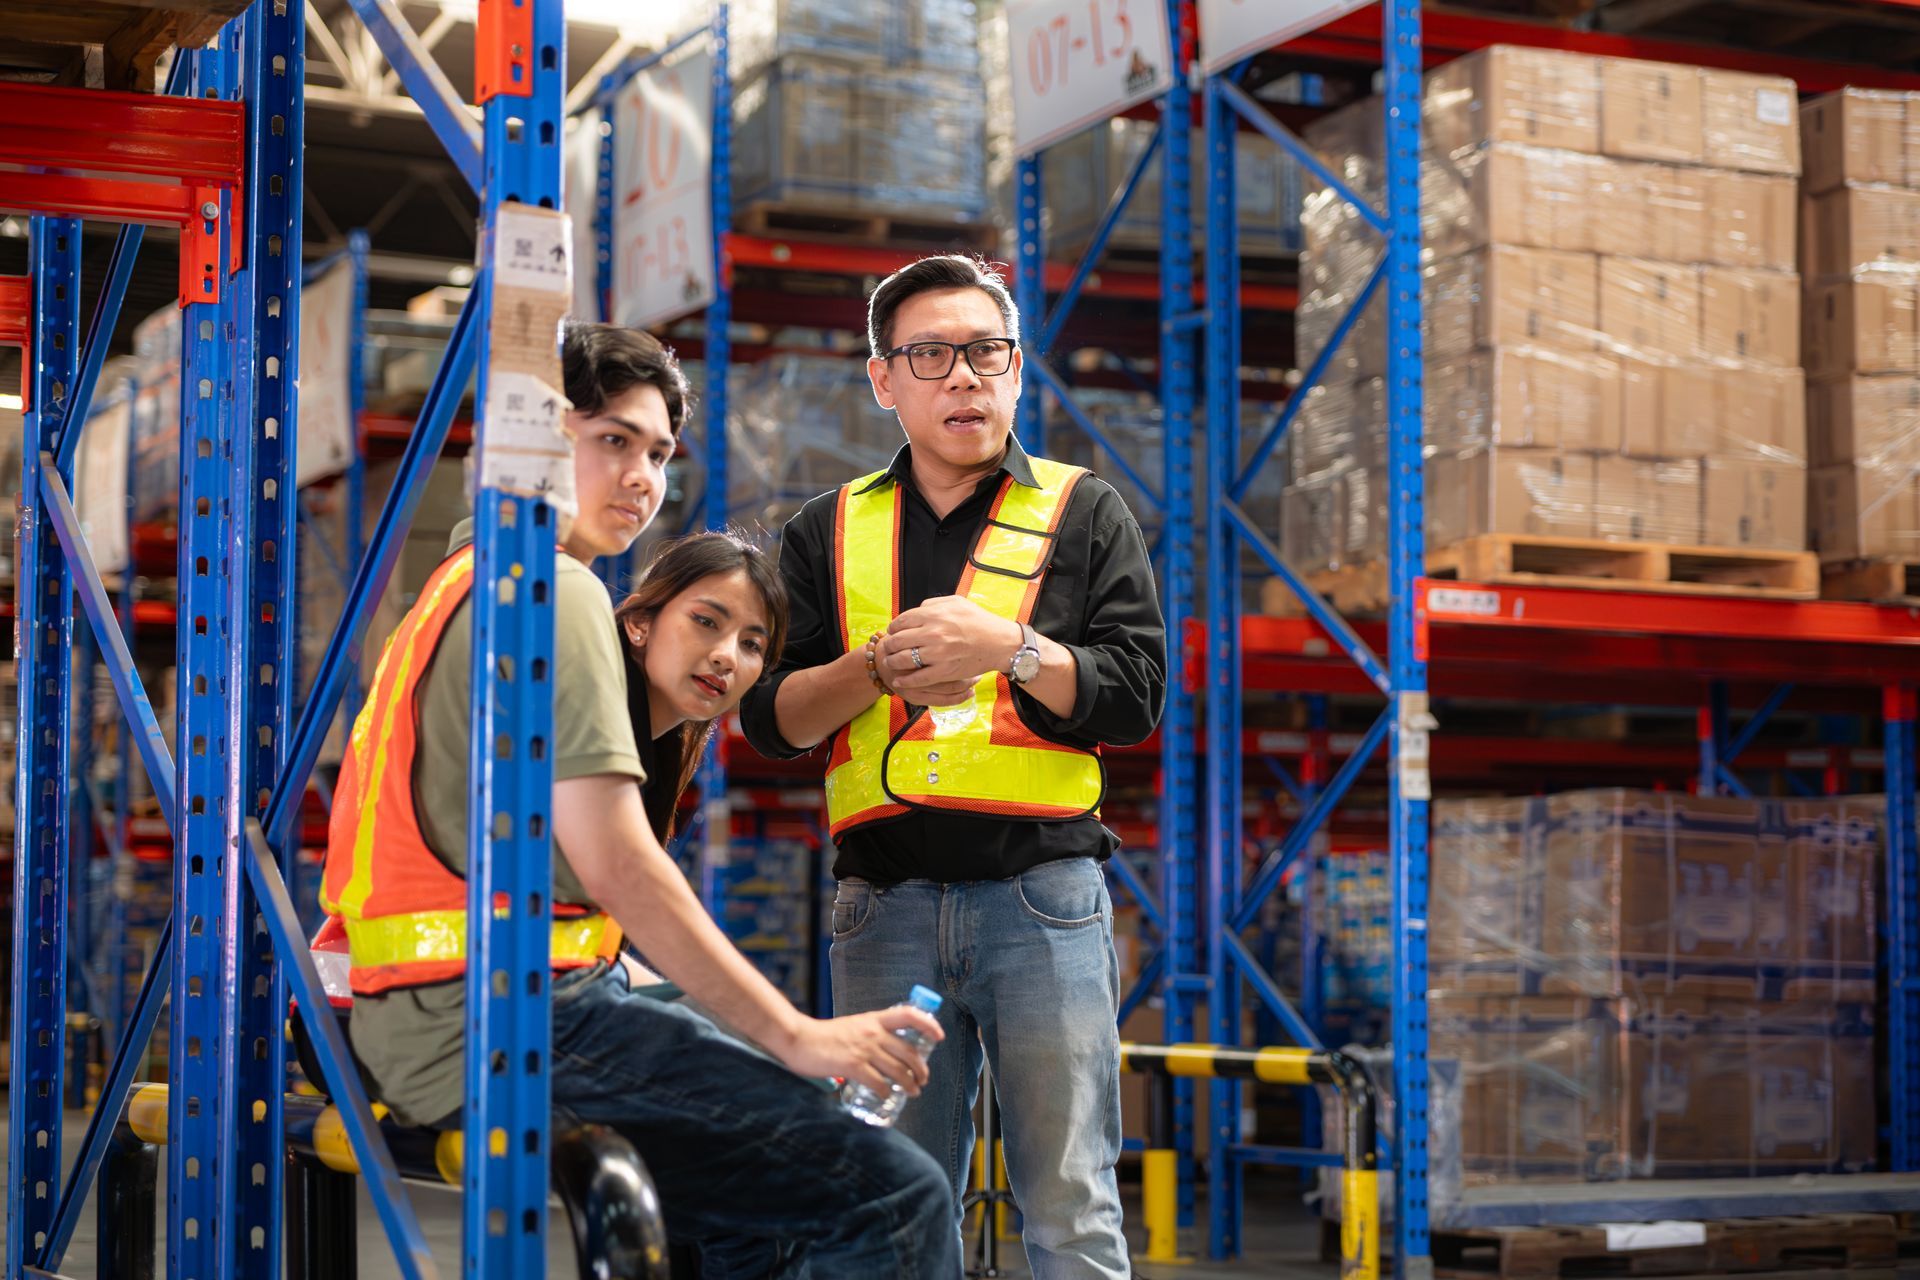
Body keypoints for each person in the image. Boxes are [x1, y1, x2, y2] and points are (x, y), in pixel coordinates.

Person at [317, 321, 960, 1278]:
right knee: (897, 1194)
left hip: (434, 1016)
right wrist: (795, 1033)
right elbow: (617, 859)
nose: (642, 478)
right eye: (612, 440)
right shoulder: (551, 587)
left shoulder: (467, 575)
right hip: (505, 1023)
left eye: (658, 453)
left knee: (755, 1209)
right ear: (531, 437)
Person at [740, 255, 1167, 1279]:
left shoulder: (1084, 509)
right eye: (932, 354)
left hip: (1047, 901)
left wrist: (1011, 648)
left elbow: (1137, 691)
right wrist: (868, 667)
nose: (964, 376)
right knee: (892, 1195)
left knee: (1070, 1201)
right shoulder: (823, 531)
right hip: (882, 909)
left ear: (1018, 369)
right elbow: (770, 719)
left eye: (986, 351)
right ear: (885, 379)